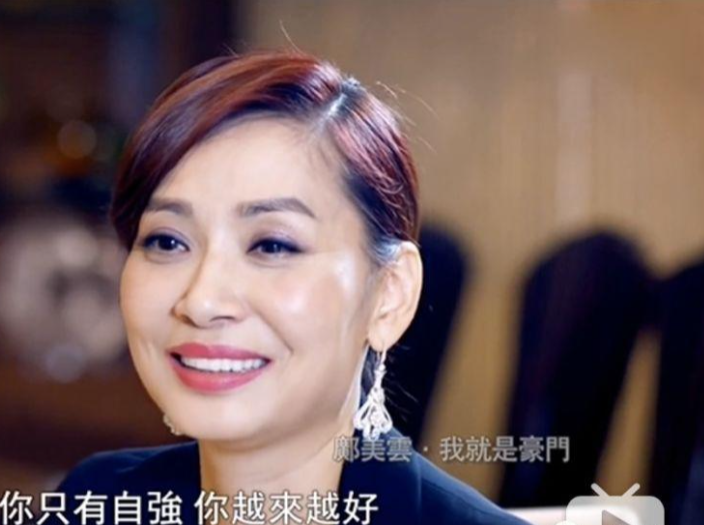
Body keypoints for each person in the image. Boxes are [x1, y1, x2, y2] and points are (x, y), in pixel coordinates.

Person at [56, 50, 529, 525]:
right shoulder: (95, 501)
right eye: (167, 241)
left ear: (390, 296)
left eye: (272, 246)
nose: (201, 301)